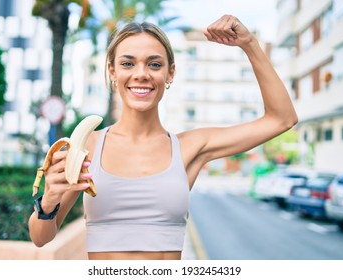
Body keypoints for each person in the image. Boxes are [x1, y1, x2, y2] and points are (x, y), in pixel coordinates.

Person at [28, 14, 298, 260]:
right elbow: (41, 238)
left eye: (154, 64)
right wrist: (49, 199)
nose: (141, 74)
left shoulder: (191, 147)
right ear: (112, 72)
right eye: (127, 63)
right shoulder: (87, 146)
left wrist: (249, 43)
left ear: (170, 73)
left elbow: (282, 119)